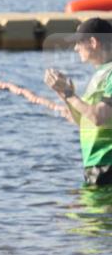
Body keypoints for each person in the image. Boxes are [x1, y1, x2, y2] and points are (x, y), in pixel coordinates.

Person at [45, 17, 112, 185]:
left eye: (79, 43)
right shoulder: (101, 74)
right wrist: (62, 92)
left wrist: (69, 93)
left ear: (93, 42)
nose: (75, 48)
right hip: (96, 165)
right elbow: (83, 121)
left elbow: (98, 117)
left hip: (107, 165)